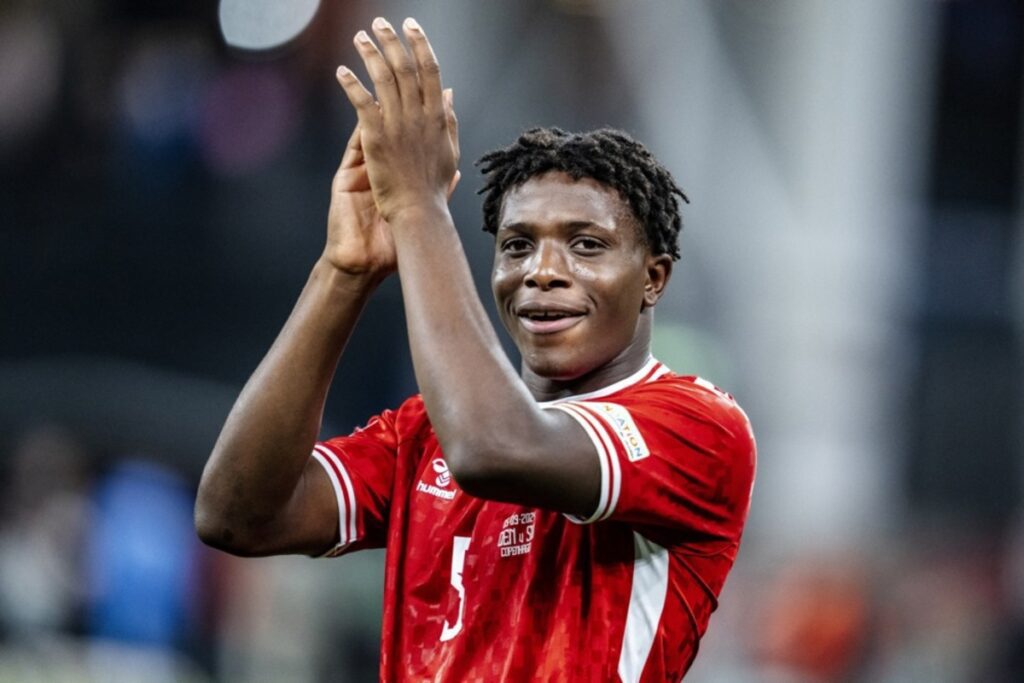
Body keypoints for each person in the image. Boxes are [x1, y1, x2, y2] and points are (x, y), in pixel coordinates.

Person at [195, 16, 755, 682]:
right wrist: (344, 271)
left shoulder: (698, 427)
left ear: (653, 279)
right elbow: (238, 515)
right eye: (517, 244)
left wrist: (419, 207)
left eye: (587, 244)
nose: (542, 270)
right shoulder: (422, 436)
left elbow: (492, 448)